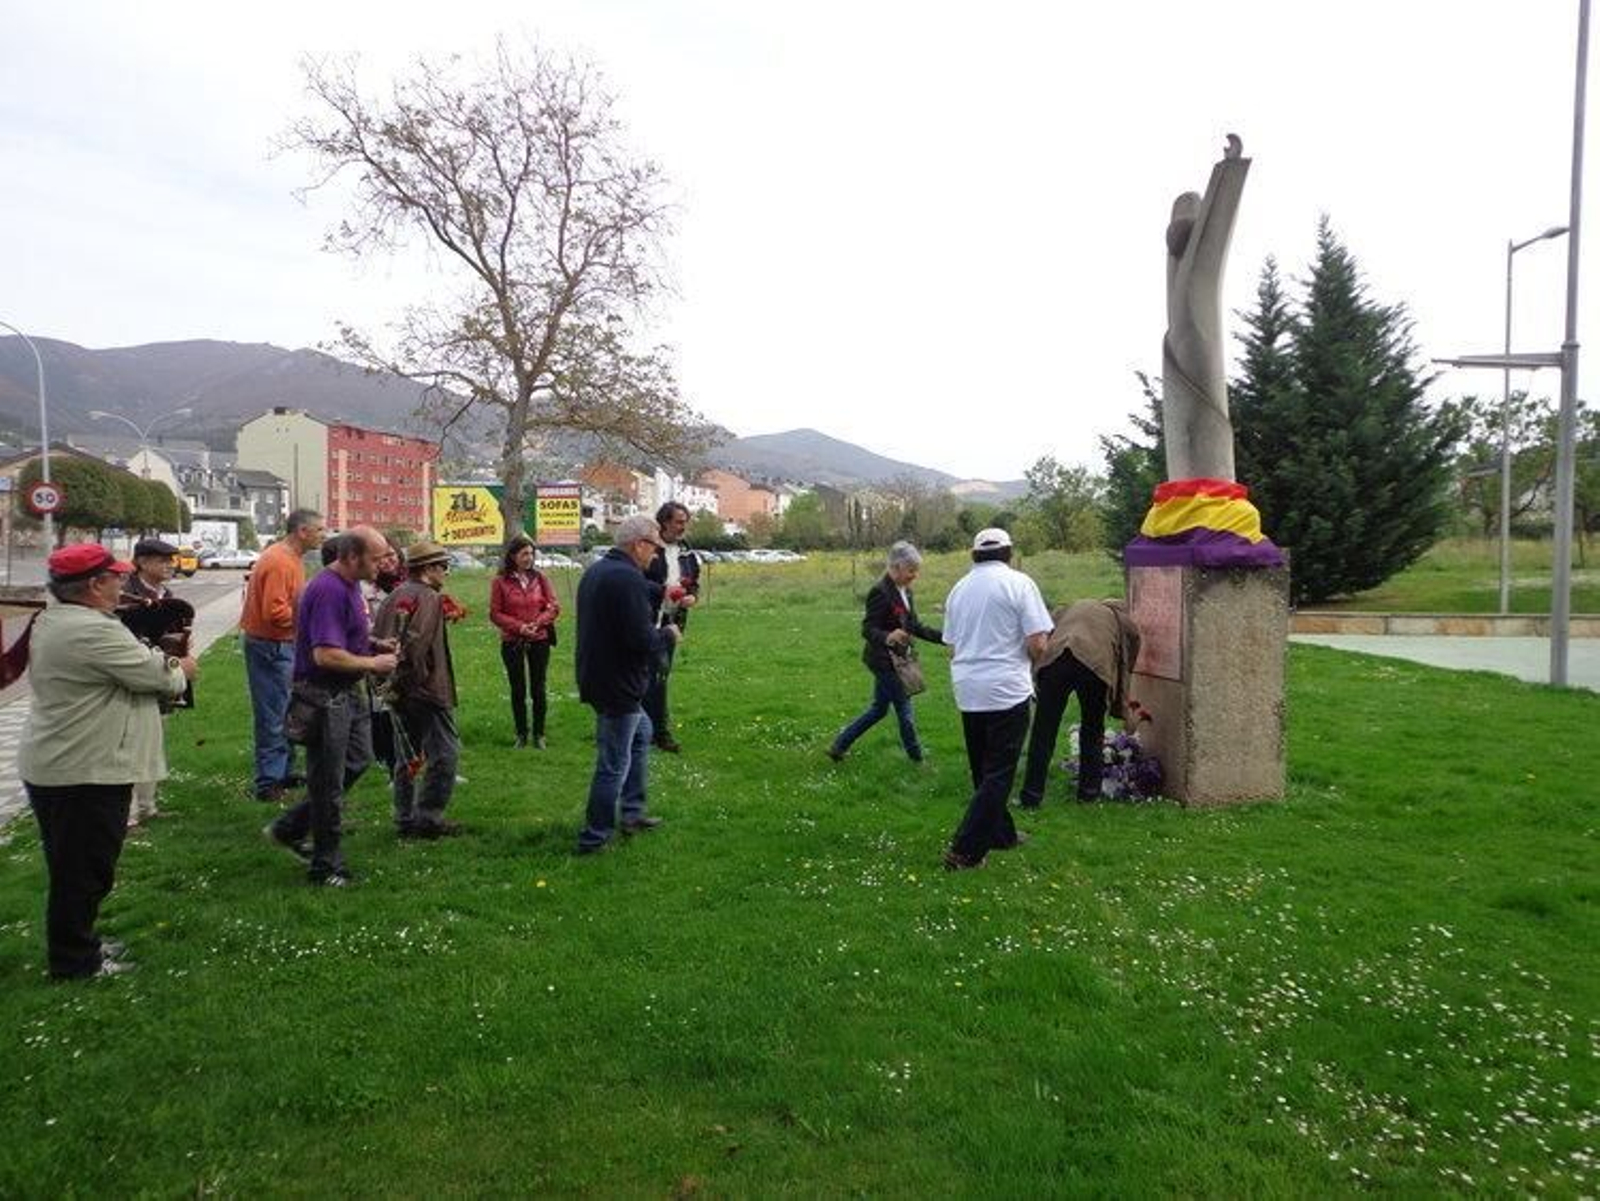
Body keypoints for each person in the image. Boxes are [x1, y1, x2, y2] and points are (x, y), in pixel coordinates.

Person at [20, 543, 196, 979]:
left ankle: (81, 944)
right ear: (95, 585)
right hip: (83, 766)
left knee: (76, 867)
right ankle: (75, 961)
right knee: (84, 872)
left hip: (66, 761)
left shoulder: (59, 619)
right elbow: (159, 675)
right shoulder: (92, 630)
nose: (122, 584)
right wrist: (180, 665)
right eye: (115, 577)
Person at [264, 528, 397, 886]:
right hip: (324, 696)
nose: (383, 564)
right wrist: (373, 664)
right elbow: (325, 654)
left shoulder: (351, 586)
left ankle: (291, 827)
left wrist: (373, 643)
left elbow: (343, 634)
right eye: (376, 558)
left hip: (347, 694)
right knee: (328, 783)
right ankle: (326, 865)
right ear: (352, 557)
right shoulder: (327, 590)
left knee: (358, 759)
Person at [941, 528, 1053, 871]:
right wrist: (1031, 662)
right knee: (999, 773)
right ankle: (965, 851)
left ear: (974, 554)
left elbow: (951, 646)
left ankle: (1001, 835)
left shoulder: (958, 589)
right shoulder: (1019, 583)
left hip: (968, 687)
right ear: (1008, 553)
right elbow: (1038, 642)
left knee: (983, 770)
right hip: (1006, 688)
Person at [574, 514, 679, 854]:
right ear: (638, 545)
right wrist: (667, 634)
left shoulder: (599, 570)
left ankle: (632, 813)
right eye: (654, 548)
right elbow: (639, 639)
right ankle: (595, 837)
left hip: (598, 675)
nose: (656, 556)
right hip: (619, 683)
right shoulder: (626, 578)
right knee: (613, 762)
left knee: (642, 734)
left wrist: (664, 591)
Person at [372, 541, 463, 839]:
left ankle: (404, 818)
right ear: (427, 569)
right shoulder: (428, 598)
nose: (445, 573)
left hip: (395, 689)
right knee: (445, 754)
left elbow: (379, 639)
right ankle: (428, 817)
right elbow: (415, 645)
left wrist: (392, 687)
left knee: (407, 756)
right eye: (443, 567)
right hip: (424, 690)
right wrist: (412, 683)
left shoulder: (393, 596)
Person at [1019, 599, 1144, 806]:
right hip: (1094, 667)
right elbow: (1134, 644)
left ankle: (1031, 796)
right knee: (1093, 730)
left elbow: (1047, 627)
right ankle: (1088, 794)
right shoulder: (1122, 618)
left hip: (1057, 660)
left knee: (1044, 730)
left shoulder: (1071, 607)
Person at [828, 541, 942, 763]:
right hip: (884, 662)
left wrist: (945, 638)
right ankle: (918, 760)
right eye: (911, 570)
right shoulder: (880, 592)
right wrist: (887, 636)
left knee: (879, 709)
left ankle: (839, 746)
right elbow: (868, 628)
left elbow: (914, 625)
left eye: (916, 570)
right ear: (896, 567)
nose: (915, 575)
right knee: (904, 709)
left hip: (899, 659)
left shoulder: (906, 591)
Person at [240, 509, 324, 802]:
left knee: (286, 709)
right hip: (271, 646)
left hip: (279, 644)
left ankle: (283, 771)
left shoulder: (289, 558)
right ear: (302, 531)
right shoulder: (279, 561)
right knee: (274, 713)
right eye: (319, 530)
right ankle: (269, 782)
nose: (323, 535)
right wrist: (312, 620)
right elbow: (275, 613)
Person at [117, 536, 186, 826]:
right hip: (136, 675)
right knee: (132, 744)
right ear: (142, 562)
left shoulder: (166, 593)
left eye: (171, 560)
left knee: (155, 741)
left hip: (164, 674)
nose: (170, 566)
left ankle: (148, 806)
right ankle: (129, 813)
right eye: (162, 560)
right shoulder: (125, 595)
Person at [489, 535, 561, 749]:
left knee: (538, 687)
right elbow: (495, 613)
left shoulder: (541, 579)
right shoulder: (500, 582)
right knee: (517, 688)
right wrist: (519, 627)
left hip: (539, 639)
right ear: (513, 556)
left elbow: (553, 607)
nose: (529, 558)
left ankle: (539, 734)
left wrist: (537, 624)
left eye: (531, 553)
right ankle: (521, 734)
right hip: (512, 641)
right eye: (524, 554)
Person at [641, 502, 700, 753]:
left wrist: (691, 597)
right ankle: (655, 732)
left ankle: (652, 730)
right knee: (651, 675)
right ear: (664, 522)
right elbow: (638, 583)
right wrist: (664, 592)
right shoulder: (649, 550)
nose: (683, 526)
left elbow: (693, 583)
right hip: (647, 620)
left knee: (661, 675)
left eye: (685, 521)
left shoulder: (687, 553)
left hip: (673, 622)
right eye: (678, 521)